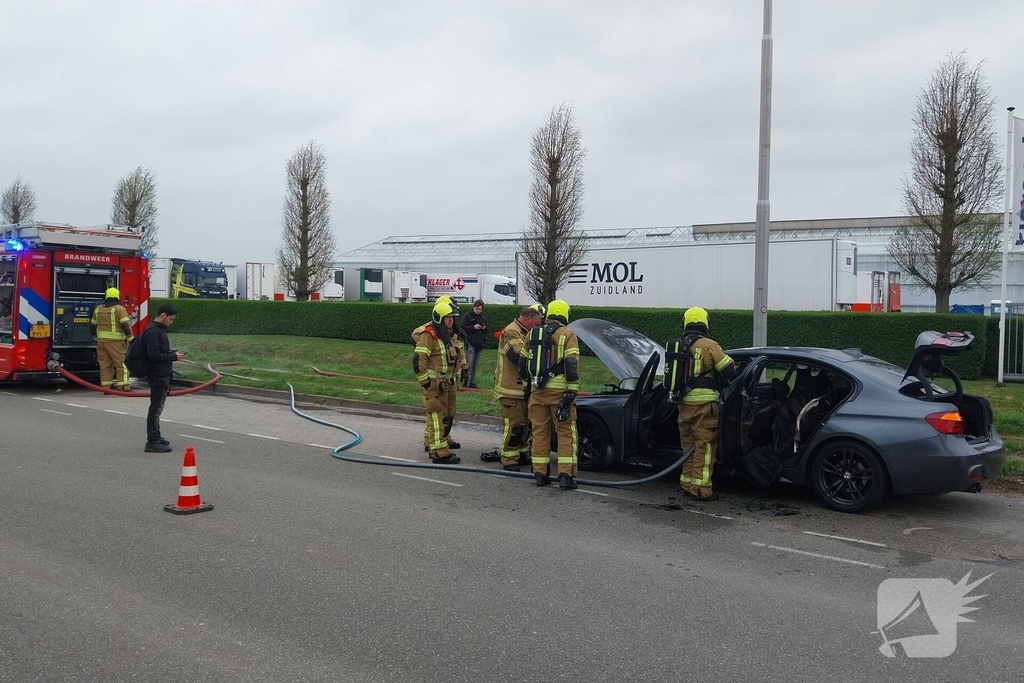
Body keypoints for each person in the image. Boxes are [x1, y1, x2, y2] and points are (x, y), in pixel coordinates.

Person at [671, 306, 736, 501]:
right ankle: (701, 490)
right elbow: (729, 369)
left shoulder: (679, 345)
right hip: (704, 406)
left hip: (683, 405)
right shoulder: (709, 345)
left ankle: (687, 484)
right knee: (705, 447)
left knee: (688, 445)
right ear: (705, 322)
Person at [520, 300, 580, 489]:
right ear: (564, 314)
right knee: (565, 433)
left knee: (539, 432)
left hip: (538, 393)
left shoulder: (533, 333)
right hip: (560, 394)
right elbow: (571, 366)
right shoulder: (568, 334)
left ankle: (540, 474)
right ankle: (565, 476)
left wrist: (528, 387)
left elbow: (522, 365)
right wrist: (572, 390)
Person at [481, 305, 544, 470]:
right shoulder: (511, 332)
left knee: (525, 425)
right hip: (511, 390)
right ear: (528, 319)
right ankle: (508, 459)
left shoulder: (525, 331)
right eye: (536, 324)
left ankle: (522, 454)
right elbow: (517, 356)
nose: (537, 327)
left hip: (522, 389)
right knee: (514, 426)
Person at [413, 300, 460, 464]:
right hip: (433, 386)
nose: (451, 320)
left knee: (443, 418)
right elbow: (419, 360)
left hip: (445, 384)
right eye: (448, 317)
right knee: (437, 419)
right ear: (439, 317)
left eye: (452, 317)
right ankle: (439, 453)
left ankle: (437, 448)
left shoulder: (445, 334)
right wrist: (426, 382)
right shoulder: (429, 334)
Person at [142, 303, 186, 453]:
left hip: (162, 373)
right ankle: (152, 441)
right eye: (171, 319)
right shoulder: (153, 331)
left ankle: (156, 436)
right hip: (158, 374)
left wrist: (170, 352)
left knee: (157, 409)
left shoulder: (157, 330)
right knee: (155, 409)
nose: (171, 322)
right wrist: (173, 356)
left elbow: (159, 351)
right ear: (163, 315)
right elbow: (153, 355)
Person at [90, 287, 133, 390]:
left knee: (104, 364)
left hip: (101, 342)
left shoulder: (98, 309)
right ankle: (123, 386)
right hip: (116, 342)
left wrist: (96, 337)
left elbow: (92, 326)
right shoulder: (120, 309)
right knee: (122, 363)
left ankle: (106, 387)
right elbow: (125, 326)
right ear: (117, 296)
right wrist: (131, 338)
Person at [459, 299, 487, 388]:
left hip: (480, 343)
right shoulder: (467, 316)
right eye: (477, 308)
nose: (478, 311)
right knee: (469, 364)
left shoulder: (483, 318)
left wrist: (484, 328)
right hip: (470, 342)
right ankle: (466, 382)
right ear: (473, 307)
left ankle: (471, 382)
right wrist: (473, 327)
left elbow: (487, 331)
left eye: (480, 309)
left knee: (475, 365)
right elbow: (462, 328)